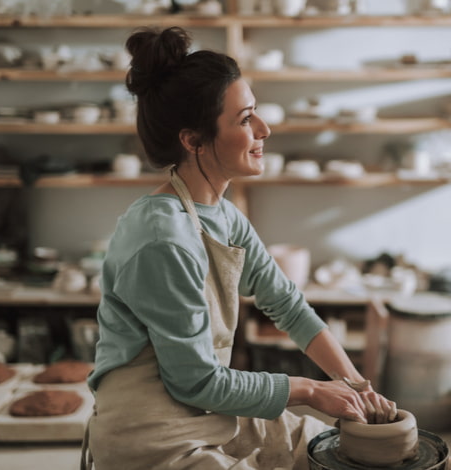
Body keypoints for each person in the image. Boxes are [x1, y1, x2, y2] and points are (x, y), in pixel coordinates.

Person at [83, 26, 397, 470]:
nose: (264, 129)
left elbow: (287, 305)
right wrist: (309, 390)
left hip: (207, 410)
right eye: (245, 119)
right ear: (193, 141)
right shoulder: (162, 239)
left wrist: (356, 385)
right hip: (151, 431)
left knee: (326, 449)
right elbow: (194, 380)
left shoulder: (224, 217)